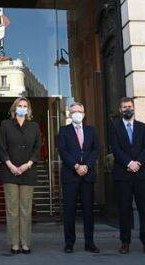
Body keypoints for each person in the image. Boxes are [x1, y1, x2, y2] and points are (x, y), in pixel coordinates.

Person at [108, 97, 145, 255]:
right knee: (124, 210)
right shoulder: (115, 127)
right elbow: (115, 148)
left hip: (142, 174)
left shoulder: (142, 127)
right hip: (123, 174)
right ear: (120, 110)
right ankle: (125, 242)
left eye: (129, 106)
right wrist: (129, 163)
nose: (127, 109)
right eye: (124, 107)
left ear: (133, 108)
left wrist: (138, 163)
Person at [0, 96, 41, 254]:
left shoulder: (34, 126)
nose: (22, 108)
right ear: (14, 108)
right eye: (20, 105)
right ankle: (14, 243)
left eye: (25, 106)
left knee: (25, 209)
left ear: (28, 109)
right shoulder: (6, 125)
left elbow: (37, 148)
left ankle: (25, 243)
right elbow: (1, 147)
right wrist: (10, 165)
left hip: (28, 171)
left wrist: (27, 164)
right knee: (12, 209)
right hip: (9, 171)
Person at [57, 102, 100, 254]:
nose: (77, 113)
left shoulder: (91, 130)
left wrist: (86, 166)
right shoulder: (63, 131)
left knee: (88, 211)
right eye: (73, 111)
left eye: (79, 111)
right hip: (70, 176)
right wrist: (76, 166)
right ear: (69, 114)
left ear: (84, 113)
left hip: (87, 176)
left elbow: (95, 150)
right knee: (69, 211)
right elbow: (63, 151)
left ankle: (90, 243)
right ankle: (69, 243)